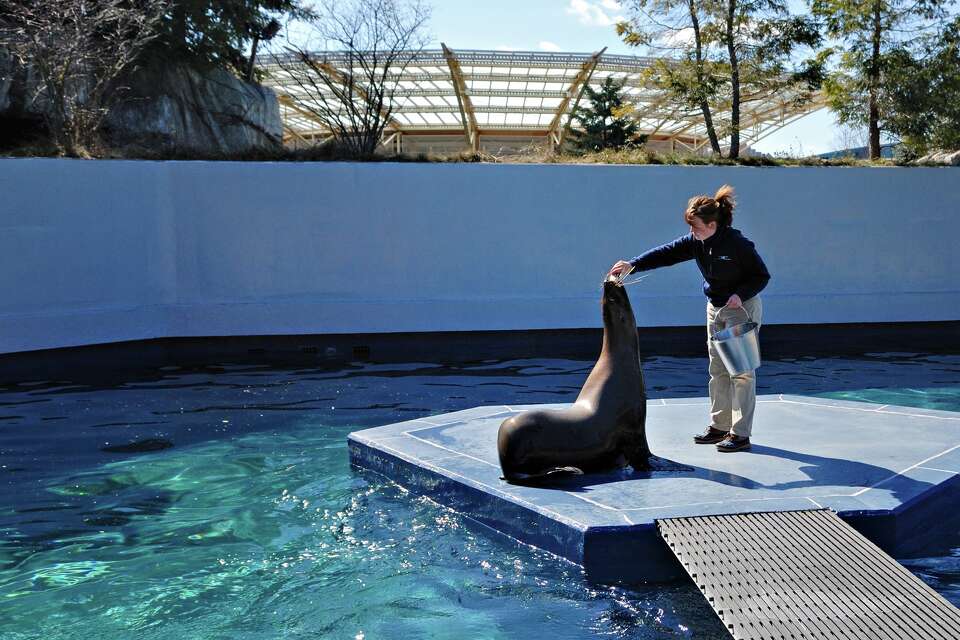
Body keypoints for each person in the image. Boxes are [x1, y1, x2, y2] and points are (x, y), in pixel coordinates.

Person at [607, 185, 770, 453]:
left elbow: (761, 276)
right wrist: (632, 265)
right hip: (715, 307)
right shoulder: (697, 242)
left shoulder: (738, 244)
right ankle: (719, 426)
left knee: (741, 373)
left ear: (712, 224)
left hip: (740, 308)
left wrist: (740, 294)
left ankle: (740, 434)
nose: (692, 232)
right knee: (717, 368)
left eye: (696, 227)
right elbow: (666, 253)